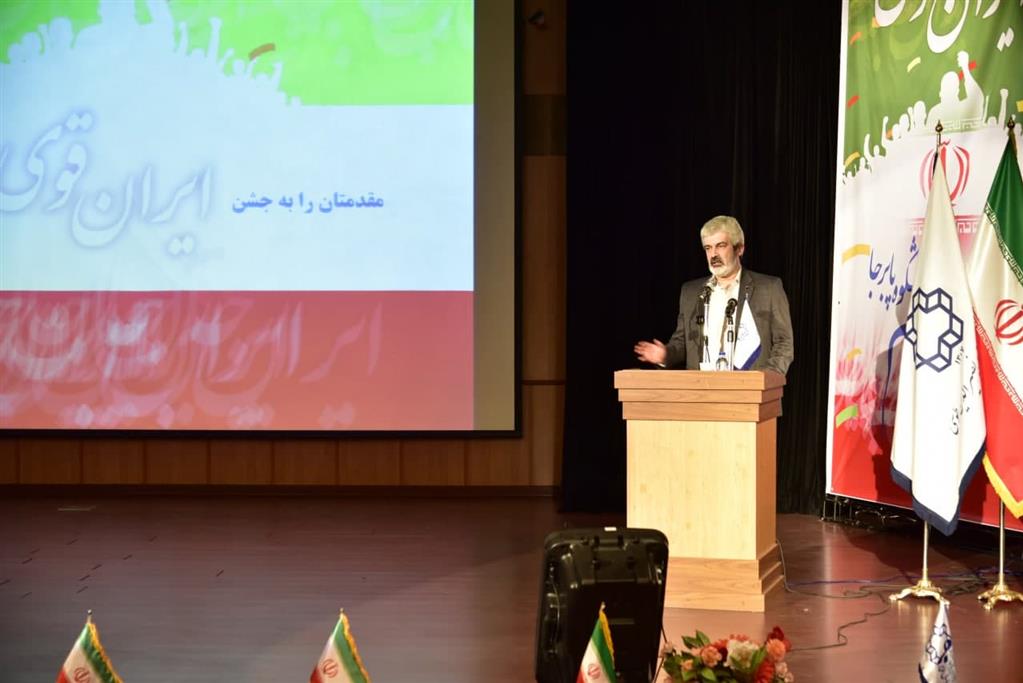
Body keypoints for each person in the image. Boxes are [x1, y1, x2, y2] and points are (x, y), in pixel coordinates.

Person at [633, 215, 793, 376]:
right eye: (708, 248)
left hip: (750, 387)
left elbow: (784, 343)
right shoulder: (691, 292)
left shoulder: (768, 288)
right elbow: (682, 344)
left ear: (739, 249)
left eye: (721, 246)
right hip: (701, 387)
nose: (713, 254)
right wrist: (665, 356)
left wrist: (768, 377)